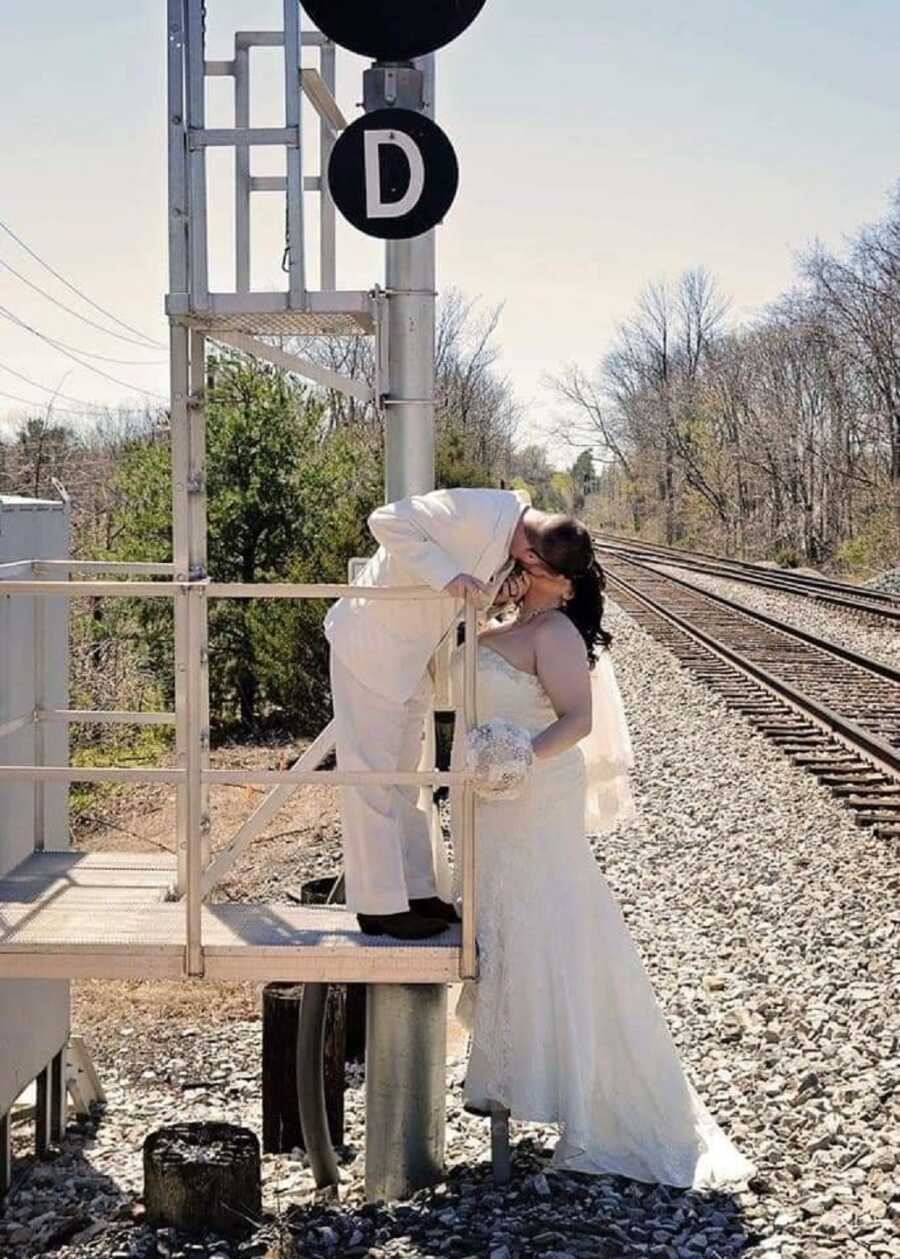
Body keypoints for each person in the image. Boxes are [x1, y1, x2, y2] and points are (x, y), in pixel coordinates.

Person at [449, 522, 754, 1189]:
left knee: (545, 934)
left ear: (559, 576)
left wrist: (516, 754)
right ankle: (510, 1076)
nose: (514, 559)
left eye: (525, 554)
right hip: (490, 808)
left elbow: (576, 720)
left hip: (527, 798)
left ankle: (587, 1093)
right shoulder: (506, 620)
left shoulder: (555, 633)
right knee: (509, 934)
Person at [325, 486, 589, 940]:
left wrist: (495, 594)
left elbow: (473, 595)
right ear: (531, 549)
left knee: (407, 780)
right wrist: (447, 574)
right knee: (370, 779)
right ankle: (378, 905)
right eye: (534, 567)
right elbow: (383, 520)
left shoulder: (513, 541)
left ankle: (418, 890)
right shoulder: (471, 509)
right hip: (371, 646)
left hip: (411, 660)